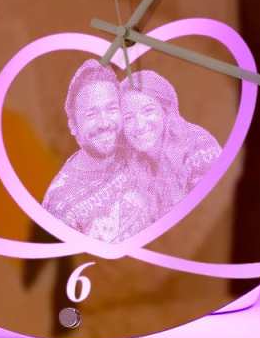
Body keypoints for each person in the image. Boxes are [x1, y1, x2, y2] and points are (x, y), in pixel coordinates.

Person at [42, 60, 153, 243]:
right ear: (73, 126)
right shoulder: (60, 204)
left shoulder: (138, 151)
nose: (104, 123)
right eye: (91, 114)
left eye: (111, 109)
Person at [119, 70, 221, 218]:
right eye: (128, 117)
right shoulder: (132, 161)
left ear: (165, 110)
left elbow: (210, 214)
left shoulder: (199, 146)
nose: (139, 125)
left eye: (148, 111)